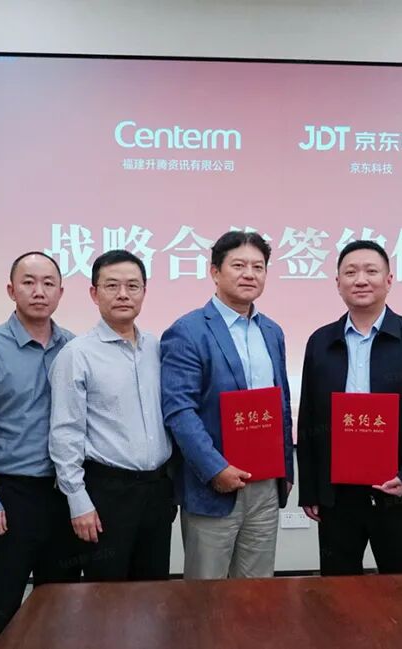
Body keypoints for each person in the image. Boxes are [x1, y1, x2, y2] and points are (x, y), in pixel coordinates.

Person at [296, 240, 402, 575]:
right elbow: (308, 418)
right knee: (338, 590)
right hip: (337, 495)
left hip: (400, 491)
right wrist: (310, 488)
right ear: (338, 283)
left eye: (371, 271)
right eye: (350, 272)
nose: (361, 280)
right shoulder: (320, 342)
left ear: (389, 280)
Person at [0, 251, 78, 647]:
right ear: (11, 290)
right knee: (2, 608)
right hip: (9, 495)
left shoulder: (74, 347)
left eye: (48, 283)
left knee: (60, 606)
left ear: (61, 292)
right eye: (28, 282)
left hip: (62, 494)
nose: (39, 291)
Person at [161, 230, 294, 579]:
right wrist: (215, 469)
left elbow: (281, 405)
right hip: (214, 484)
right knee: (208, 592)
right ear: (215, 272)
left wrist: (286, 468)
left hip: (265, 483)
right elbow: (180, 411)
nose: (249, 274)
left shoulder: (272, 331)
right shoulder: (188, 331)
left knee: (257, 590)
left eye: (258, 267)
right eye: (238, 265)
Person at [49, 250, 175, 581]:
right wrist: (78, 500)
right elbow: (65, 433)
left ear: (144, 292)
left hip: (157, 491)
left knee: (153, 591)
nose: (123, 294)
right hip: (106, 493)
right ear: (94, 293)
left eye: (133, 286)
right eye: (112, 286)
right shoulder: (77, 355)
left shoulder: (157, 348)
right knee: (106, 595)